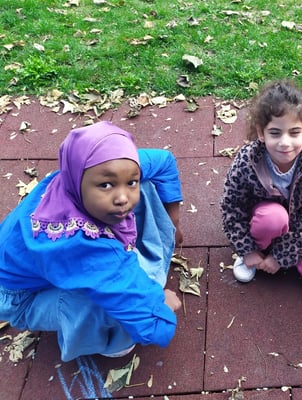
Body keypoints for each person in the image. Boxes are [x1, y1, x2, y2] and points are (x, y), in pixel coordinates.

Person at [0, 121, 184, 361]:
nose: (122, 197)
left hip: (46, 265)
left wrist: (173, 221)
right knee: (103, 303)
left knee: (146, 184)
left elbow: (164, 161)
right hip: (21, 298)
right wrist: (162, 305)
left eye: (130, 182)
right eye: (106, 185)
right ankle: (108, 342)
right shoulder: (79, 243)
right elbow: (150, 324)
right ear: (79, 180)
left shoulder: (93, 168)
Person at [220, 79, 302, 285]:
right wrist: (247, 250)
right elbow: (231, 208)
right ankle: (256, 251)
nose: (285, 143)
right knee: (273, 218)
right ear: (261, 133)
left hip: (298, 225)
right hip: (262, 221)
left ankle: (281, 248)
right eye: (275, 133)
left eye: (294, 132)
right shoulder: (247, 161)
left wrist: (280, 258)